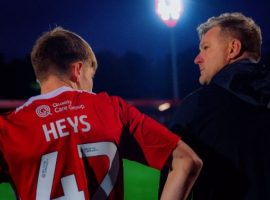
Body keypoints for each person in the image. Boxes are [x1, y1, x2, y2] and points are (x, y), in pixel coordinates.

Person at [0, 27, 202, 200]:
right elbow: (187, 160)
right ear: (77, 70)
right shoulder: (111, 108)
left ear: (40, 75)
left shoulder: (8, 127)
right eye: (91, 75)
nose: (91, 83)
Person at [160, 12, 270, 199]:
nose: (197, 59)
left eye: (205, 47)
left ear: (233, 49)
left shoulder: (195, 107)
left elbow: (175, 177)